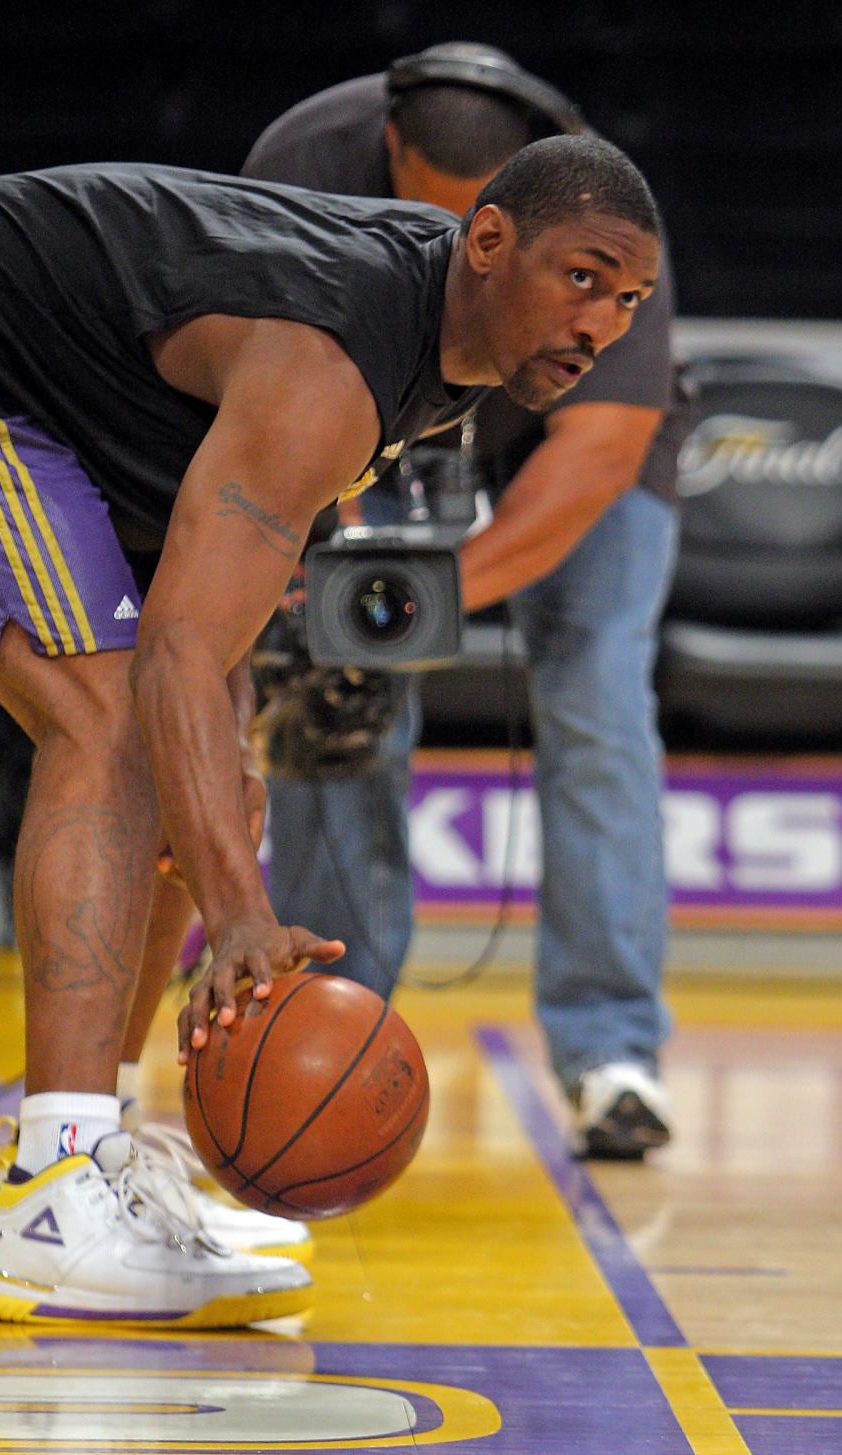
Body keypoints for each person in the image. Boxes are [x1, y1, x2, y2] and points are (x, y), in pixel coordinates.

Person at [0, 135, 661, 1323]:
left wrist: (224, 795)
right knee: (122, 733)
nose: (602, 323)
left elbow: (216, 597)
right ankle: (50, 1194)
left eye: (630, 302)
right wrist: (242, 911)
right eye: (585, 278)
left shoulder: (439, 348)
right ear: (490, 241)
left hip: (18, 390)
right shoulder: (336, 357)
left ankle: (94, 1153)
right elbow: (177, 656)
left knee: (201, 785)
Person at [240, 42, 686, 1159]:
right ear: (389, 158)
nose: (467, 265)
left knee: (594, 701)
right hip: (383, 425)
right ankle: (333, 1027)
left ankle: (611, 1049)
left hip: (566, 448)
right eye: (443, 234)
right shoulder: (303, 159)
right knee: (337, 698)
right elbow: (262, 374)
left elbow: (599, 456)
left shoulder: (600, 213)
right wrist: (334, 588)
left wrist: (424, 594)